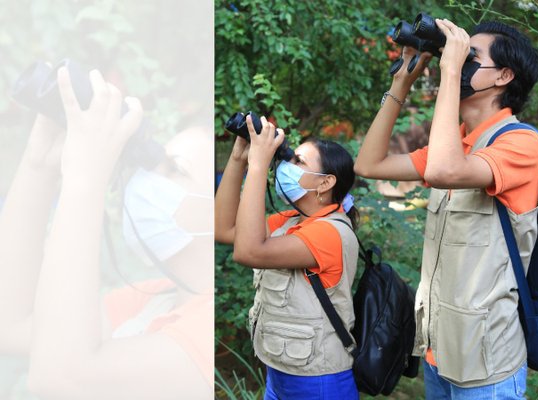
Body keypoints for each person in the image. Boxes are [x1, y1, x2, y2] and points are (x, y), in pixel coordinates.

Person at [354, 18, 538, 398]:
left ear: (504, 76)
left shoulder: (521, 144)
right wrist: (400, 85)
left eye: (471, 56)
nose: (456, 61)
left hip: (487, 365)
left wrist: (449, 71)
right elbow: (369, 165)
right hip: (440, 352)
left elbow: (445, 170)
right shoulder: (458, 143)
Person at [2, 66, 215, 399]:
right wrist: (39, 164)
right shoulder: (150, 300)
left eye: (175, 169)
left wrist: (85, 180)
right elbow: (11, 324)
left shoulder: (207, 331)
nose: (150, 175)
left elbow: (59, 378)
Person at [214, 115, 360, 400]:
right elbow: (224, 229)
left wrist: (258, 165)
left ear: (325, 182)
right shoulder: (291, 220)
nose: (286, 165)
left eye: (298, 161)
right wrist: (238, 159)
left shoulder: (330, 233)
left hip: (319, 383)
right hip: (281, 374)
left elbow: (249, 252)